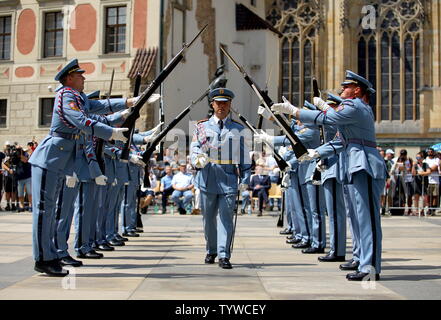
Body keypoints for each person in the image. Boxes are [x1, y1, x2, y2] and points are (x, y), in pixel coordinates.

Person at [271, 70, 387, 281]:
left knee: (367, 220)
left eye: (346, 87)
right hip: (356, 165)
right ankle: (363, 261)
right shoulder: (353, 111)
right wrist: (315, 153)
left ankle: (370, 267)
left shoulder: (355, 106)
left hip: (365, 165)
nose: (342, 90)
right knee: (359, 218)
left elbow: (328, 118)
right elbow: (340, 142)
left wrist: (294, 111)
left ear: (357, 90)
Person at [29, 58, 133, 276]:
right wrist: (110, 132)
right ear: (69, 78)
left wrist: (129, 102)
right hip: (50, 158)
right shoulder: (66, 95)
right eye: (79, 75)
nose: (83, 78)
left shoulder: (79, 97)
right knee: (44, 210)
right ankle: (43, 258)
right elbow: (78, 119)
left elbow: (101, 106)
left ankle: (52, 254)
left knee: (50, 210)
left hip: (62, 160)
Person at [190, 87, 251, 269]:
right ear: (212, 104)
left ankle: (224, 254)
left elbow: (244, 156)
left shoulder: (238, 129)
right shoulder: (201, 127)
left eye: (225, 103)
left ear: (230, 105)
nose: (222, 106)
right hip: (208, 176)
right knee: (208, 219)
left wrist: (245, 179)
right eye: (218, 103)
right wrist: (197, 159)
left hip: (229, 179)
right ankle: (211, 250)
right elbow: (195, 148)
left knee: (226, 218)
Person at [412, 151, 430, 216]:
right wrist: (414, 166)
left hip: (424, 182)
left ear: (422, 158)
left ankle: (423, 210)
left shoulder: (425, 164)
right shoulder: (415, 165)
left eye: (419, 157)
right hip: (416, 182)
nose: (417, 158)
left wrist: (420, 173)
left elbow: (428, 172)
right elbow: (413, 173)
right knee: (416, 196)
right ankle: (416, 210)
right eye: (416, 157)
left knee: (425, 197)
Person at [425, 148, 439, 215]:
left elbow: (435, 167)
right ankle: (429, 209)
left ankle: (433, 209)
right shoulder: (426, 159)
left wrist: (427, 170)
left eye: (431, 152)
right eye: (429, 152)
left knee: (435, 196)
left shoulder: (437, 159)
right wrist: (428, 170)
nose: (430, 153)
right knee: (428, 196)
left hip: (435, 180)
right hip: (427, 180)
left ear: (433, 152)